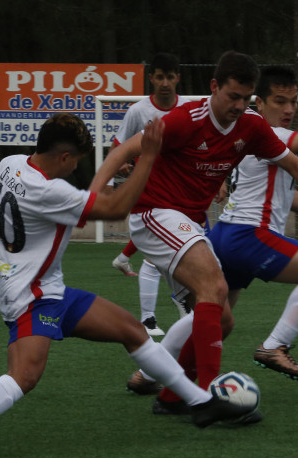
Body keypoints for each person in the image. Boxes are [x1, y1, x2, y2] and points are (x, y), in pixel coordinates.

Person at [0, 113, 254, 458]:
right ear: (65, 157)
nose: (75, 170)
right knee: (24, 376)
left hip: (52, 291)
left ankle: (200, 403)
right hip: (31, 298)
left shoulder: (10, 165)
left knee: (132, 331)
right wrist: (147, 155)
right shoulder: (50, 191)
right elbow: (116, 207)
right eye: (77, 162)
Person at [89, 51, 298, 398]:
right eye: (232, 96)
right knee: (215, 286)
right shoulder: (184, 120)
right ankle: (207, 394)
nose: (238, 105)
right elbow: (123, 152)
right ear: (214, 87)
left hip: (195, 224)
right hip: (155, 213)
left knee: (221, 320)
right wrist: (93, 194)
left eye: (244, 98)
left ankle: (167, 392)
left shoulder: (252, 126)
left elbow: (295, 165)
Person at [148, 64, 298, 415]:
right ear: (258, 103)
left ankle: (152, 372)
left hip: (227, 233)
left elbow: (280, 194)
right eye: (280, 101)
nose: (289, 110)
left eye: (293, 102)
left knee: (217, 317)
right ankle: (274, 347)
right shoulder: (270, 133)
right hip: (249, 235)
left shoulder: (248, 136)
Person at [108, 52, 189, 338]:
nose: (165, 83)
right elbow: (118, 146)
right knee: (159, 255)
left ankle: (171, 308)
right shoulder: (138, 111)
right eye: (159, 77)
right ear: (151, 78)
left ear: (178, 78)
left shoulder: (190, 108)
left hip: (183, 191)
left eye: (170, 77)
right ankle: (153, 318)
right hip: (150, 192)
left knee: (184, 251)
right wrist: (122, 162)